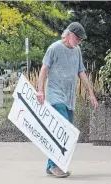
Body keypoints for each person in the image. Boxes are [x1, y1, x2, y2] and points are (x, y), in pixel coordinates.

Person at [36, 22, 98, 177]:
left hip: (69, 98)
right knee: (62, 129)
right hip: (55, 95)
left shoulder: (77, 50)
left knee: (66, 133)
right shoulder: (54, 48)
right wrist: (40, 90)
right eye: (78, 38)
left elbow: (81, 72)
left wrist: (90, 93)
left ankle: (50, 166)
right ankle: (56, 165)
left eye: (81, 40)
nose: (79, 42)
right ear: (69, 34)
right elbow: (44, 69)